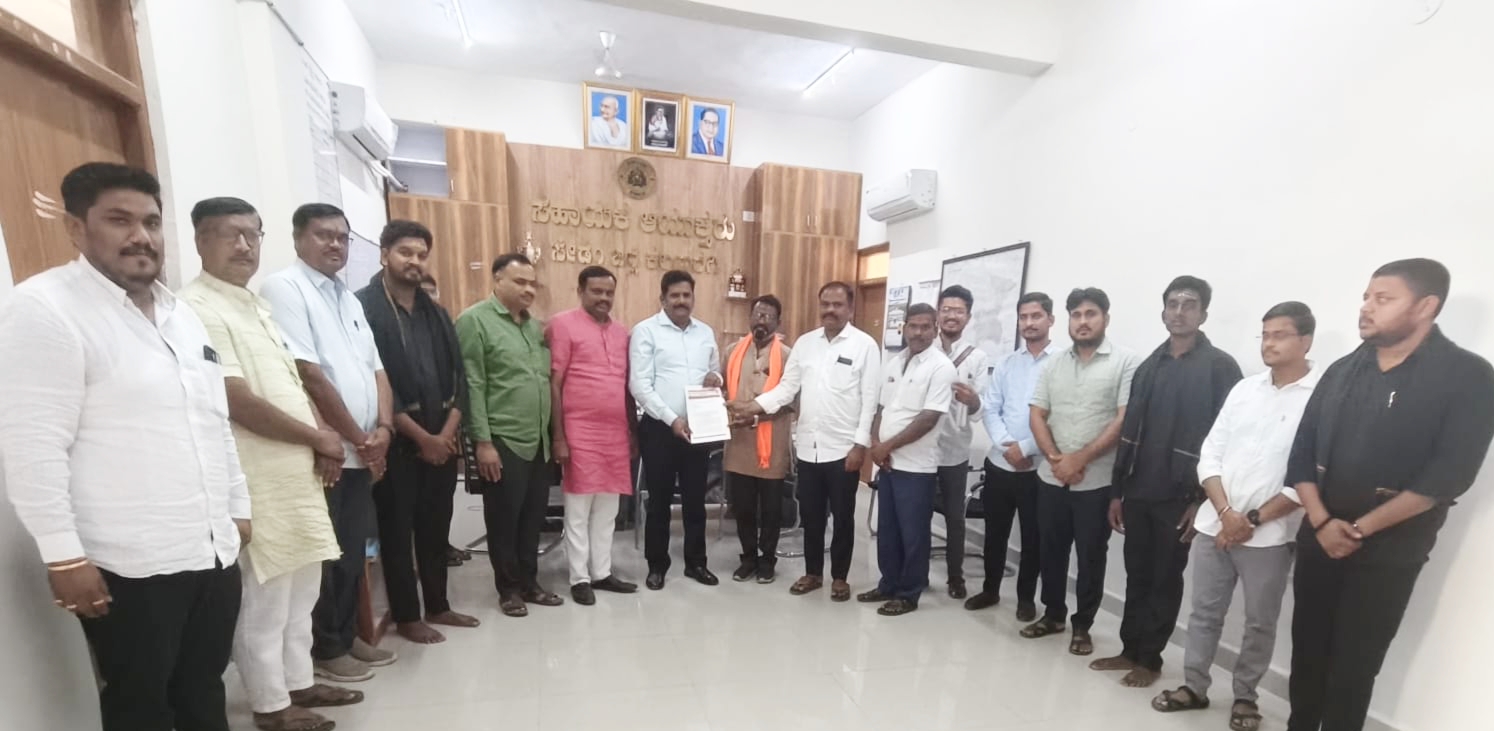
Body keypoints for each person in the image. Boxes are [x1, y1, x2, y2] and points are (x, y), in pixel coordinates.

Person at [0, 163, 250, 731]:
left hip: (210, 550)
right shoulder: (44, 310)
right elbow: (33, 446)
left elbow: (213, 420)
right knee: (140, 704)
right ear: (76, 227)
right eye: (119, 220)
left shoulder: (182, 315)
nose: (141, 236)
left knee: (203, 689)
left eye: (151, 222)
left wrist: (238, 507)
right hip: (128, 564)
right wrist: (64, 555)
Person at [1285, 259, 1494, 731]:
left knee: (1355, 667)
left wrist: (1359, 529)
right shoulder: (1343, 370)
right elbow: (1301, 455)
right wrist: (1323, 522)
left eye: (1383, 299)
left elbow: (1449, 476)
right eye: (1366, 297)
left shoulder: (1467, 376)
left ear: (1425, 306)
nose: (1366, 307)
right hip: (1319, 536)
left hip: (1389, 550)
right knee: (1308, 654)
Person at [179, 197, 356, 731]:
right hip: (255, 479)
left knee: (303, 592)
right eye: (229, 234)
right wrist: (319, 437)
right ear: (200, 241)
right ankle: (271, 705)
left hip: (295, 475)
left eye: (252, 234)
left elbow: (290, 387)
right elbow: (236, 398)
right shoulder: (197, 308)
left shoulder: (253, 305)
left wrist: (318, 443)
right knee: (266, 599)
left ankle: (298, 682)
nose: (243, 246)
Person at [1150, 302, 1318, 731]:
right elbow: (1210, 454)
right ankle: (1194, 686)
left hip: (1271, 534)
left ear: (1305, 340)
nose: (1269, 343)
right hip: (1215, 525)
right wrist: (1226, 513)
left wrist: (1250, 521)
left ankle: (1245, 697)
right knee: (1204, 612)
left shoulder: (1319, 398)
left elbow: (1307, 474)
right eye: (1265, 334)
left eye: (1280, 335)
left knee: (1259, 622)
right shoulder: (1245, 389)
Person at [259, 203, 397, 682]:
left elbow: (377, 370)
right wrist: (358, 438)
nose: (335, 244)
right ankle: (327, 648)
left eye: (342, 237)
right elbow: (308, 373)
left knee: (351, 552)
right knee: (327, 555)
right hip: (330, 452)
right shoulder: (285, 288)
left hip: (364, 449)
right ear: (299, 238)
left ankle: (347, 634)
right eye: (323, 235)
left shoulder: (348, 299)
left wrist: (384, 429)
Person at [1098, 276, 1243, 688]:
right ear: (1163, 312)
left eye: (1189, 304)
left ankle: (1150, 658)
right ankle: (1129, 649)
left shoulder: (1220, 368)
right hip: (1138, 490)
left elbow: (1226, 441)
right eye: (1173, 304)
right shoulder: (1150, 365)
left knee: (1165, 577)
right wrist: (1117, 492)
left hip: (1181, 498)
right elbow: (1129, 432)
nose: (1179, 312)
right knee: (1137, 573)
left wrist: (1202, 501)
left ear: (1203, 314)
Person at [355, 220, 479, 643]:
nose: (414, 261)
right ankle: (408, 616)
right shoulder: (364, 308)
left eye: (421, 255)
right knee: (397, 532)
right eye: (405, 252)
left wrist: (445, 434)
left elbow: (459, 377)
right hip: (396, 444)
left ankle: (439, 606)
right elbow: (375, 380)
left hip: (442, 440)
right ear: (384, 254)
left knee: (435, 528)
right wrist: (422, 438)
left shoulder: (436, 313)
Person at [729, 282, 881, 602]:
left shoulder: (864, 346)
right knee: (811, 516)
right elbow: (787, 389)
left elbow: (870, 401)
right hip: (809, 448)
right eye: (825, 304)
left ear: (850, 308)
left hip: (843, 450)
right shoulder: (806, 344)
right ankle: (813, 573)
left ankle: (839, 577)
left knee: (842, 518)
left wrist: (860, 446)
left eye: (837, 304)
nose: (830, 310)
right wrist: (753, 407)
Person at [1022, 288, 1139, 657]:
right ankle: (1053, 614)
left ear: (1105, 318)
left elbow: (1124, 419)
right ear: (1068, 320)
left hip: (1097, 481)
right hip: (1052, 477)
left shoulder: (1126, 362)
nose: (1083, 321)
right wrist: (1057, 459)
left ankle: (1083, 625)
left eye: (1091, 314)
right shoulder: (1054, 363)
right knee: (1050, 551)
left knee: (1090, 556)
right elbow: (1037, 413)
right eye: (1076, 314)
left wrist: (1080, 459)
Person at [457, 253, 562, 616]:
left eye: (533, 283)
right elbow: (473, 384)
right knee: (504, 519)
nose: (528, 290)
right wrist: (483, 443)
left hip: (538, 441)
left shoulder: (535, 329)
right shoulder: (474, 321)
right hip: (502, 439)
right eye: (520, 282)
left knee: (533, 518)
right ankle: (509, 590)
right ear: (497, 280)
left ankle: (530, 583)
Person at [854, 304, 957, 616]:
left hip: (917, 467)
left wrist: (886, 447)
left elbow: (928, 419)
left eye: (926, 326)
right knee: (887, 530)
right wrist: (876, 444)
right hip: (888, 464)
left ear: (936, 328)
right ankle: (888, 583)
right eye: (913, 326)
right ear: (904, 328)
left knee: (913, 534)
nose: (918, 332)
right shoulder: (895, 361)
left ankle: (909, 593)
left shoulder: (941, 367)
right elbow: (881, 409)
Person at [547, 266, 640, 605]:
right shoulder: (562, 324)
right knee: (578, 508)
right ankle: (579, 577)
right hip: (579, 431)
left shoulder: (622, 332)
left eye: (609, 292)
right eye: (596, 291)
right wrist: (559, 436)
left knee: (608, 509)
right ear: (580, 291)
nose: (603, 298)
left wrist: (631, 431)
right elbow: (554, 383)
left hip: (615, 433)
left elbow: (626, 387)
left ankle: (601, 572)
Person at [629, 270, 724, 590]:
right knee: (659, 500)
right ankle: (657, 565)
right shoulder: (646, 331)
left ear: (693, 298)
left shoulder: (705, 333)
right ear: (663, 299)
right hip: (659, 429)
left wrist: (716, 379)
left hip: (697, 428)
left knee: (696, 499)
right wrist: (672, 419)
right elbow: (639, 385)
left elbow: (715, 372)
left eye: (686, 295)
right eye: (675, 296)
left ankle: (696, 563)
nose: (681, 301)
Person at [967, 292, 1058, 619]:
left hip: (1038, 468)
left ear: (1050, 320)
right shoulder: (1007, 362)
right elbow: (991, 408)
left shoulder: (1062, 363)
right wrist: (1009, 447)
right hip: (1000, 464)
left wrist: (1027, 448)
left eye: (1036, 316)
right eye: (1023, 317)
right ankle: (990, 589)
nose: (1029, 323)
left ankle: (1025, 598)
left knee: (1034, 537)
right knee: (995, 533)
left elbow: (1059, 416)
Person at [723, 295, 794, 584]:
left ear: (778, 322)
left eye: (768, 316)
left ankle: (767, 560)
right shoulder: (732, 351)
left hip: (771, 445)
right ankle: (749, 558)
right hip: (738, 442)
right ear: (750, 318)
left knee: (771, 509)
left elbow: (790, 402)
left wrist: (755, 416)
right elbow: (722, 391)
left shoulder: (788, 356)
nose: (761, 320)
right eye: (757, 315)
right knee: (743, 507)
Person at [930, 285, 990, 599]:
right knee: (918, 514)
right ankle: (916, 574)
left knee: (955, 516)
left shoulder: (977, 358)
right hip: (921, 448)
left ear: (968, 316)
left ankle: (956, 577)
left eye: (958, 311)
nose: (951, 316)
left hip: (955, 450)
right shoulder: (925, 349)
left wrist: (973, 400)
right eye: (946, 310)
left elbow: (981, 409)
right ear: (938, 313)